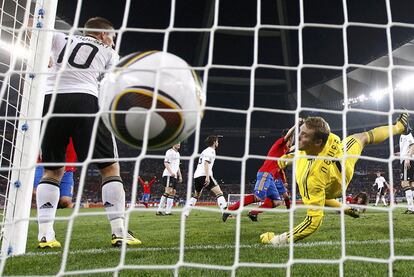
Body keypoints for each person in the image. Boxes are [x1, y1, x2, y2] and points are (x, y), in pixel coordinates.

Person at [36, 17, 141, 249]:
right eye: (112, 37)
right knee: (110, 167)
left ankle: (45, 235)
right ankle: (119, 232)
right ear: (103, 35)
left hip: (49, 102)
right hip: (85, 99)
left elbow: (33, 28)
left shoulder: (61, 37)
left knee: (52, 170)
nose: (113, 42)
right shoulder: (109, 52)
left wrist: (45, 58)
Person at [260, 113, 410, 245]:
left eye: (304, 135)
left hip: (337, 183)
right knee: (362, 137)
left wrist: (277, 240)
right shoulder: (327, 136)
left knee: (315, 195)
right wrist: (284, 159)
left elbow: (312, 223)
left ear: (318, 142)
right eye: (300, 132)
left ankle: (399, 127)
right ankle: (399, 127)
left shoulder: (310, 179)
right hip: (342, 156)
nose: (299, 136)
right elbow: (299, 150)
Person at [223, 124, 296, 222]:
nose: (293, 140)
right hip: (265, 174)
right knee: (258, 197)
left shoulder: (285, 150)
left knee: (277, 202)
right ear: (289, 138)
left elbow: (294, 148)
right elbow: (288, 137)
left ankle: (254, 212)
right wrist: (296, 125)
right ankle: (230, 209)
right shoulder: (280, 143)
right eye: (293, 138)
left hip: (270, 178)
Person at [184, 135, 227, 217]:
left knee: (196, 195)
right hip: (204, 174)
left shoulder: (204, 151)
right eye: (217, 141)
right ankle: (225, 212)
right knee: (219, 193)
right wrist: (207, 176)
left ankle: (186, 212)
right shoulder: (211, 151)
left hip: (197, 176)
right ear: (214, 142)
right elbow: (206, 162)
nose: (218, 143)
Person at [33, 138, 77, 209]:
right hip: (43, 165)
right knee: (35, 193)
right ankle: (46, 208)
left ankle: (51, 205)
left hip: (67, 168)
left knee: (65, 201)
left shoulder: (76, 131)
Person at [156, 143, 182, 215]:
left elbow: (177, 166)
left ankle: (168, 211)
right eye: (177, 143)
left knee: (173, 192)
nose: (179, 144)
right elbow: (166, 163)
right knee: (168, 191)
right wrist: (171, 172)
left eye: (179, 143)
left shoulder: (178, 154)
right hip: (168, 174)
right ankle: (159, 210)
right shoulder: (169, 152)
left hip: (174, 176)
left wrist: (180, 175)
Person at [399, 132, 414, 214]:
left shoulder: (407, 134)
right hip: (410, 159)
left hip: (407, 160)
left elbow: (413, 145)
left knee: (404, 183)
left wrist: (407, 157)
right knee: (412, 184)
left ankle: (411, 208)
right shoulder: (404, 135)